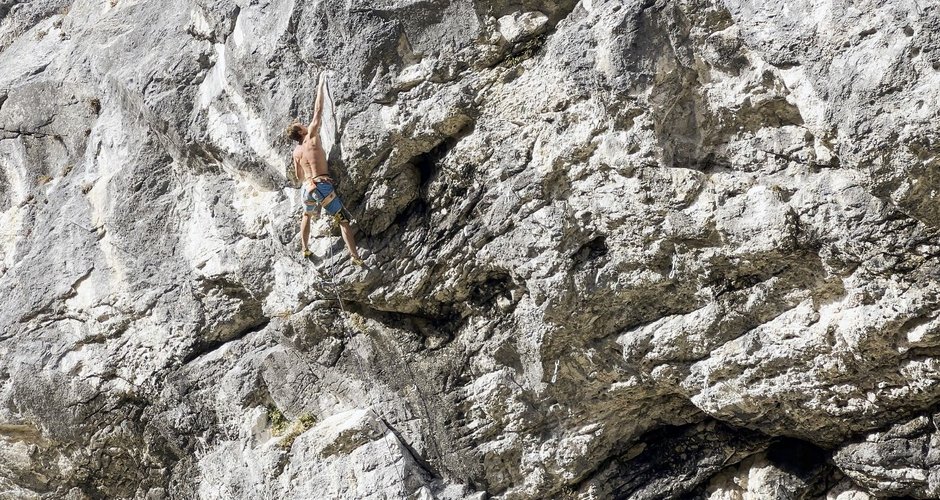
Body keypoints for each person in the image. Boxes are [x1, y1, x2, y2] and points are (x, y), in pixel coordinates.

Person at [286, 77, 363, 265]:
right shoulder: (311, 136)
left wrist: (309, 175)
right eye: (301, 125)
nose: (305, 124)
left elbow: (299, 176)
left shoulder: (296, 152)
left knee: (306, 215)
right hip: (322, 186)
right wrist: (321, 85)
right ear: (301, 132)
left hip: (307, 188)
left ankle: (305, 249)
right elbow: (318, 111)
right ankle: (355, 257)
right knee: (344, 221)